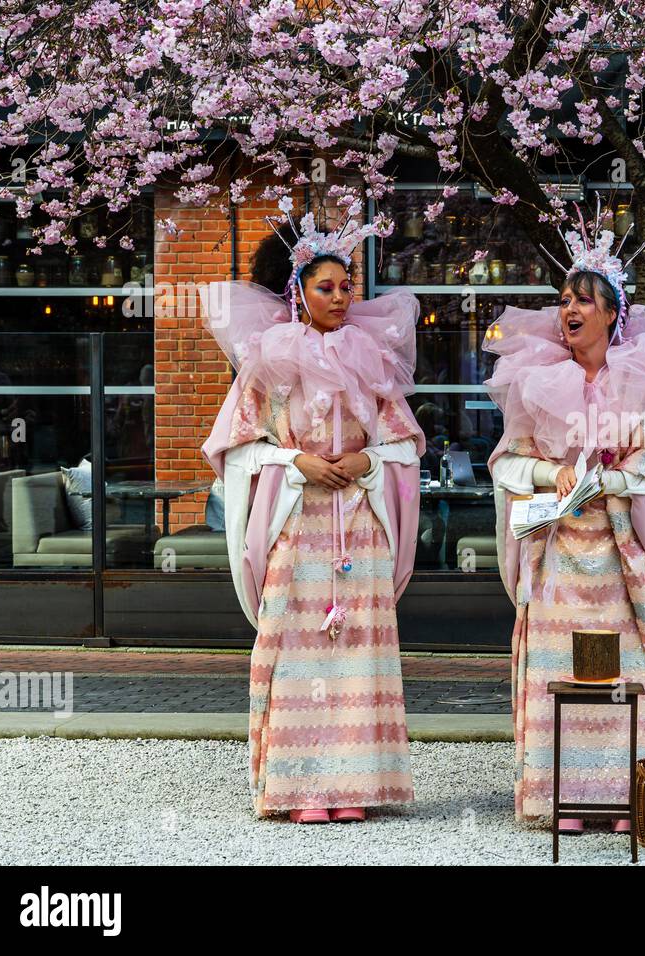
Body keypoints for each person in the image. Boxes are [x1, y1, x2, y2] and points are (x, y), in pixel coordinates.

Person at [201, 201, 424, 823]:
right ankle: (299, 788)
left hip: (359, 525)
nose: (340, 296)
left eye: (347, 285)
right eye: (325, 286)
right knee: (298, 652)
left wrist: (368, 463)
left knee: (359, 653)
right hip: (296, 527)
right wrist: (294, 463)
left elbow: (404, 443)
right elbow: (236, 446)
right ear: (298, 293)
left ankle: (354, 785)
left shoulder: (371, 358)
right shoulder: (268, 363)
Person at [484, 205, 645, 829]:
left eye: (584, 299)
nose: (569, 309)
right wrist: (554, 474)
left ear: (612, 314)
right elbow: (507, 464)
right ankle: (562, 794)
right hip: (558, 550)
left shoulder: (642, 387)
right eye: (564, 298)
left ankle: (632, 791)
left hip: (621, 548)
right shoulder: (537, 383)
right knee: (563, 670)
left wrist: (611, 478)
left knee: (624, 670)